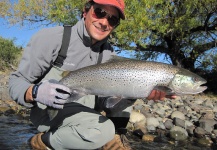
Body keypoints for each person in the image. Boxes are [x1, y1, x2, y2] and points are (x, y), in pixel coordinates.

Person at [8, 0, 175, 149]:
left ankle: (114, 137)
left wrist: (138, 93)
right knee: (101, 130)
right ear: (85, 11)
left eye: (112, 19)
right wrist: (36, 92)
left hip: (85, 116)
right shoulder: (52, 38)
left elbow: (107, 102)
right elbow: (16, 82)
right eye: (100, 12)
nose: (104, 22)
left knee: (128, 88)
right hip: (50, 113)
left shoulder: (109, 54)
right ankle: (43, 141)